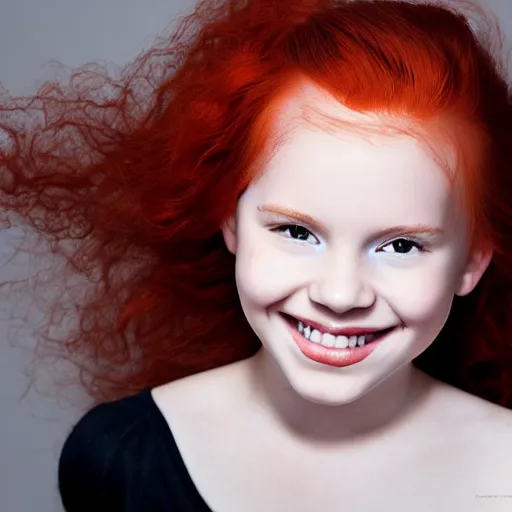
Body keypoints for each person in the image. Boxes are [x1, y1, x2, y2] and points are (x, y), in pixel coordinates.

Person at [1, 0, 512, 510]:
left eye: (400, 246)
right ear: (228, 217)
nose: (339, 294)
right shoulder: (122, 460)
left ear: (472, 260)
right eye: (295, 231)